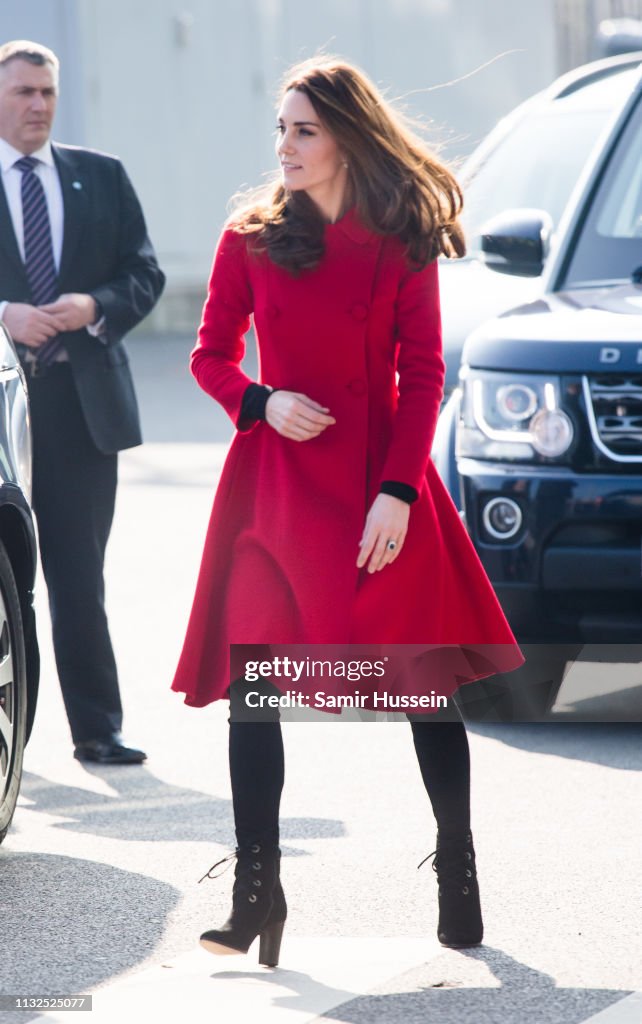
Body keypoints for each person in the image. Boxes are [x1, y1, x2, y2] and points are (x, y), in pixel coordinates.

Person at [172, 57, 523, 964]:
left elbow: (425, 375)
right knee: (254, 690)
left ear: (347, 139)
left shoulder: (400, 238)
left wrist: (399, 495)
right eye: (280, 130)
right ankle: (258, 892)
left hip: (378, 483)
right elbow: (210, 357)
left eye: (303, 130)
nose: (284, 147)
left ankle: (458, 867)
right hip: (277, 491)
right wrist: (260, 402)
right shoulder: (245, 240)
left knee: (422, 687)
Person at [0, 40, 165, 764]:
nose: (38, 105)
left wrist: (90, 305)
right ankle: (14, 740)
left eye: (47, 93)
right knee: (11, 578)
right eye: (23, 92)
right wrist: (3, 313)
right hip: (5, 398)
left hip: (80, 405)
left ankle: (97, 729)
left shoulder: (101, 177)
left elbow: (144, 274)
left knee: (77, 574)